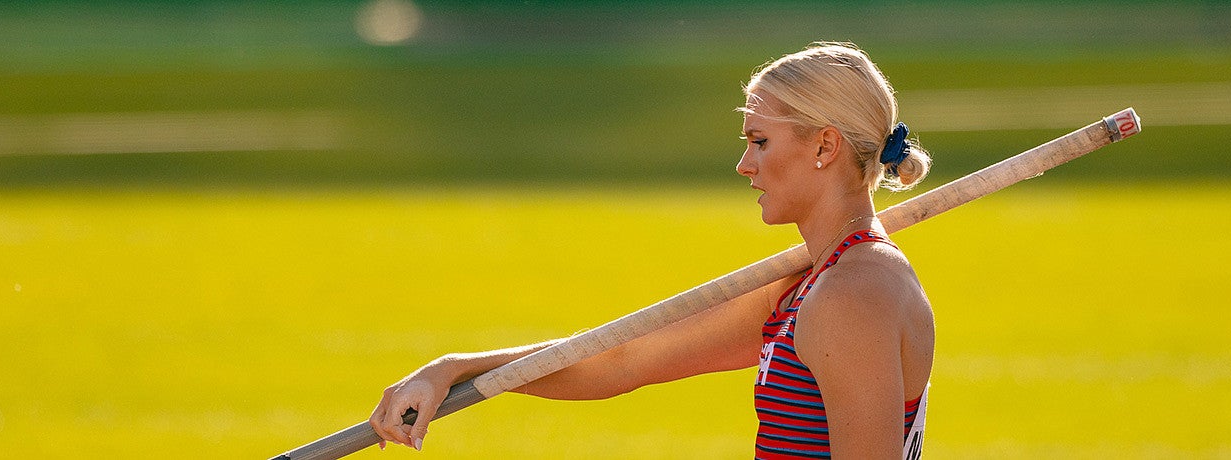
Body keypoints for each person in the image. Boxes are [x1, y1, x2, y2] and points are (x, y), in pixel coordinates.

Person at [369, 42, 935, 459]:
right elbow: (621, 359)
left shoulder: (854, 294)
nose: (745, 165)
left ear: (824, 146)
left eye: (760, 142)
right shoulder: (810, 283)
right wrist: (453, 370)